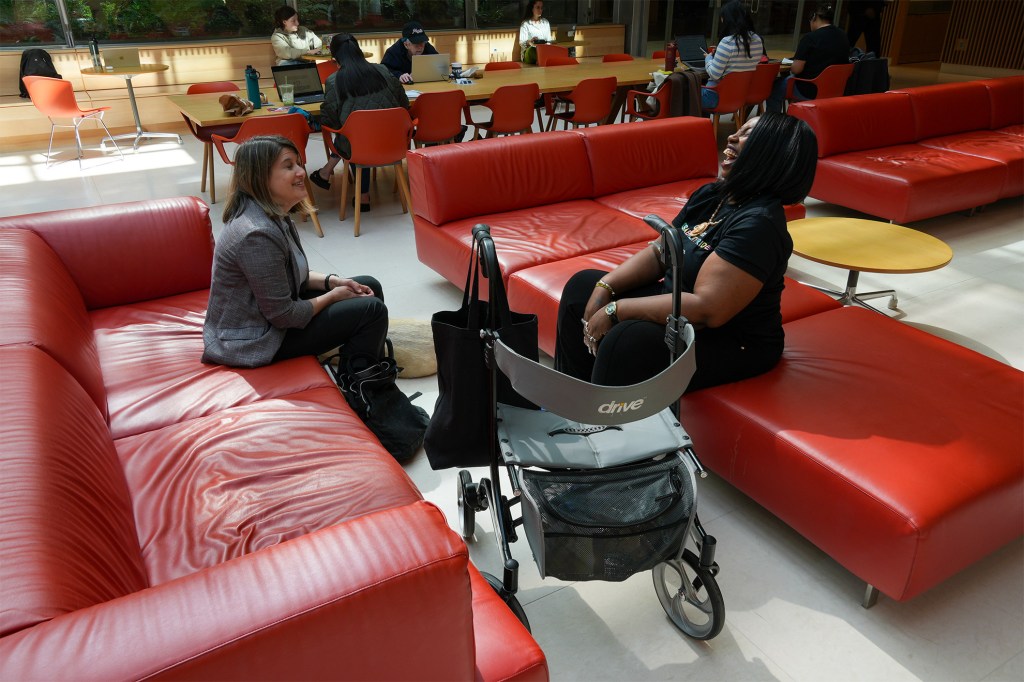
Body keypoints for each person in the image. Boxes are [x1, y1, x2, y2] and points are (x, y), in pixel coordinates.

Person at [554, 113, 818, 392]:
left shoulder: (759, 225)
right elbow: (662, 252)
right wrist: (604, 288)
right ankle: (571, 397)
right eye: (737, 131)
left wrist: (615, 310)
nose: (731, 137)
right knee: (582, 288)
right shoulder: (713, 195)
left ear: (771, 155)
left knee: (628, 339)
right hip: (680, 307)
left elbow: (707, 309)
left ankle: (602, 416)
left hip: (731, 339)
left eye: (746, 135)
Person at [203, 135, 387, 371]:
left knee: (369, 285)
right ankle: (362, 386)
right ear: (260, 177)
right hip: (252, 339)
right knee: (371, 310)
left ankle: (365, 367)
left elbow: (291, 274)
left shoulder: (274, 215)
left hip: (268, 319)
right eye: (289, 166)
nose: (301, 172)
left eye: (298, 164)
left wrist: (334, 282)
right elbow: (285, 316)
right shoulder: (256, 234)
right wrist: (333, 296)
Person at [309, 33, 410, 212]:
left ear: (335, 58)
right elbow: (404, 103)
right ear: (359, 51)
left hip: (359, 148)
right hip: (394, 144)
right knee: (358, 132)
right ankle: (329, 174)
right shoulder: (383, 70)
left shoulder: (334, 80)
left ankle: (360, 194)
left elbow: (331, 121)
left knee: (352, 135)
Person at [766, 4, 849, 112]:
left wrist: (789, 63)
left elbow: (796, 69)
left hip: (809, 89)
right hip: (835, 89)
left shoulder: (810, 38)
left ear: (814, 17)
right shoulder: (843, 36)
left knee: (773, 88)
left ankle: (773, 121)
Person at [702, 0, 765, 110]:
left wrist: (708, 58)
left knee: (687, 91)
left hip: (717, 97)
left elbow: (714, 75)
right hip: (740, 97)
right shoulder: (757, 40)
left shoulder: (727, 42)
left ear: (727, 20)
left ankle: (696, 121)